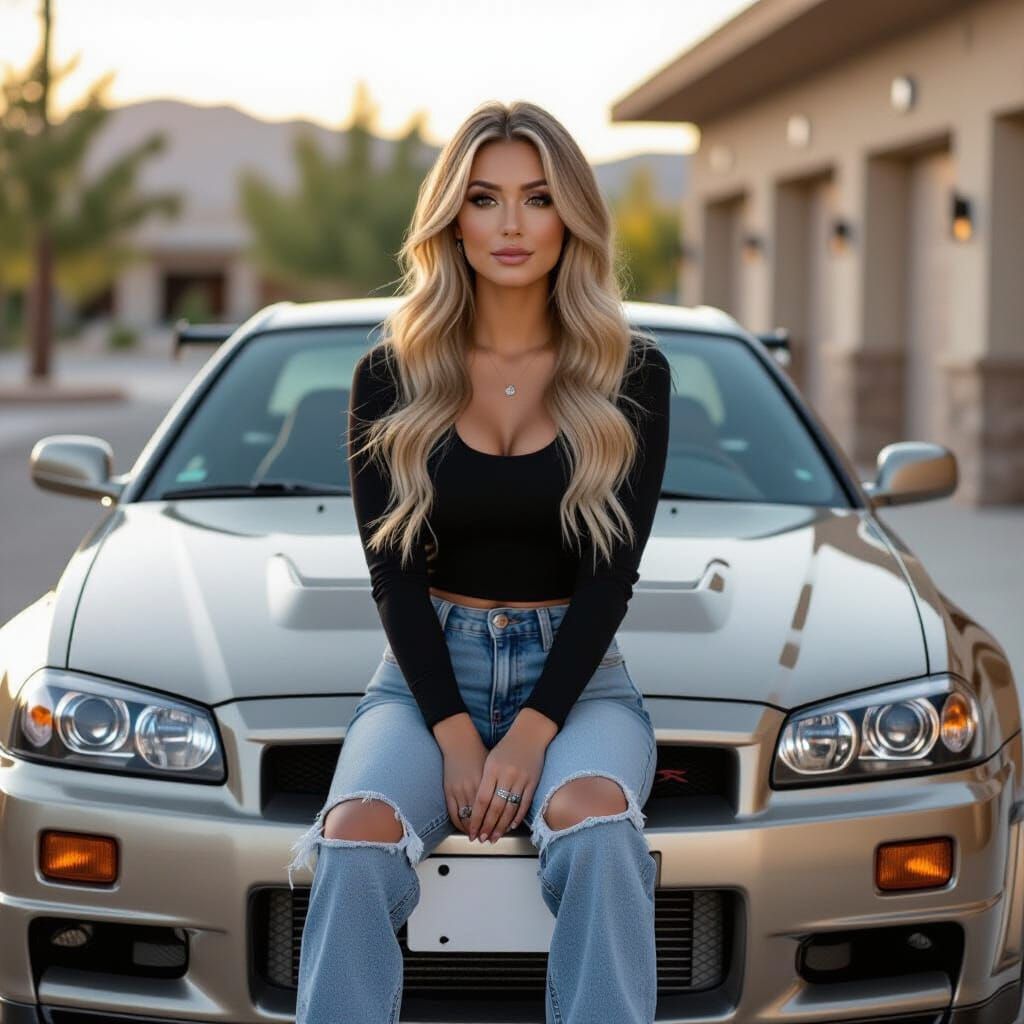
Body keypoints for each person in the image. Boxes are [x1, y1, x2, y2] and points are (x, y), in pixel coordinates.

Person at [286, 98, 672, 1024]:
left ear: (570, 216)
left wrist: (534, 728)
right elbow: (393, 576)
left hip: (578, 687)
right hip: (424, 679)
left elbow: (608, 580)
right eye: (485, 199)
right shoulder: (392, 370)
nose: (510, 225)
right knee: (353, 840)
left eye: (537, 199)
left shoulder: (633, 372)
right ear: (451, 217)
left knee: (598, 827)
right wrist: (456, 732)